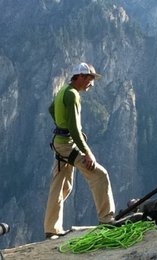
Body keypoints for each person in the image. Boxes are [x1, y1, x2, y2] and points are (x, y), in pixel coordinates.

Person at [44, 63, 116, 239]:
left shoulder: (64, 91)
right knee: (99, 175)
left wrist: (62, 126)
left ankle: (51, 229)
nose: (92, 83)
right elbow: (75, 129)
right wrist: (87, 153)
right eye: (90, 79)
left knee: (61, 185)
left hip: (60, 142)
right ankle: (107, 219)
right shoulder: (72, 95)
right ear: (81, 77)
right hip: (67, 145)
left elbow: (51, 108)